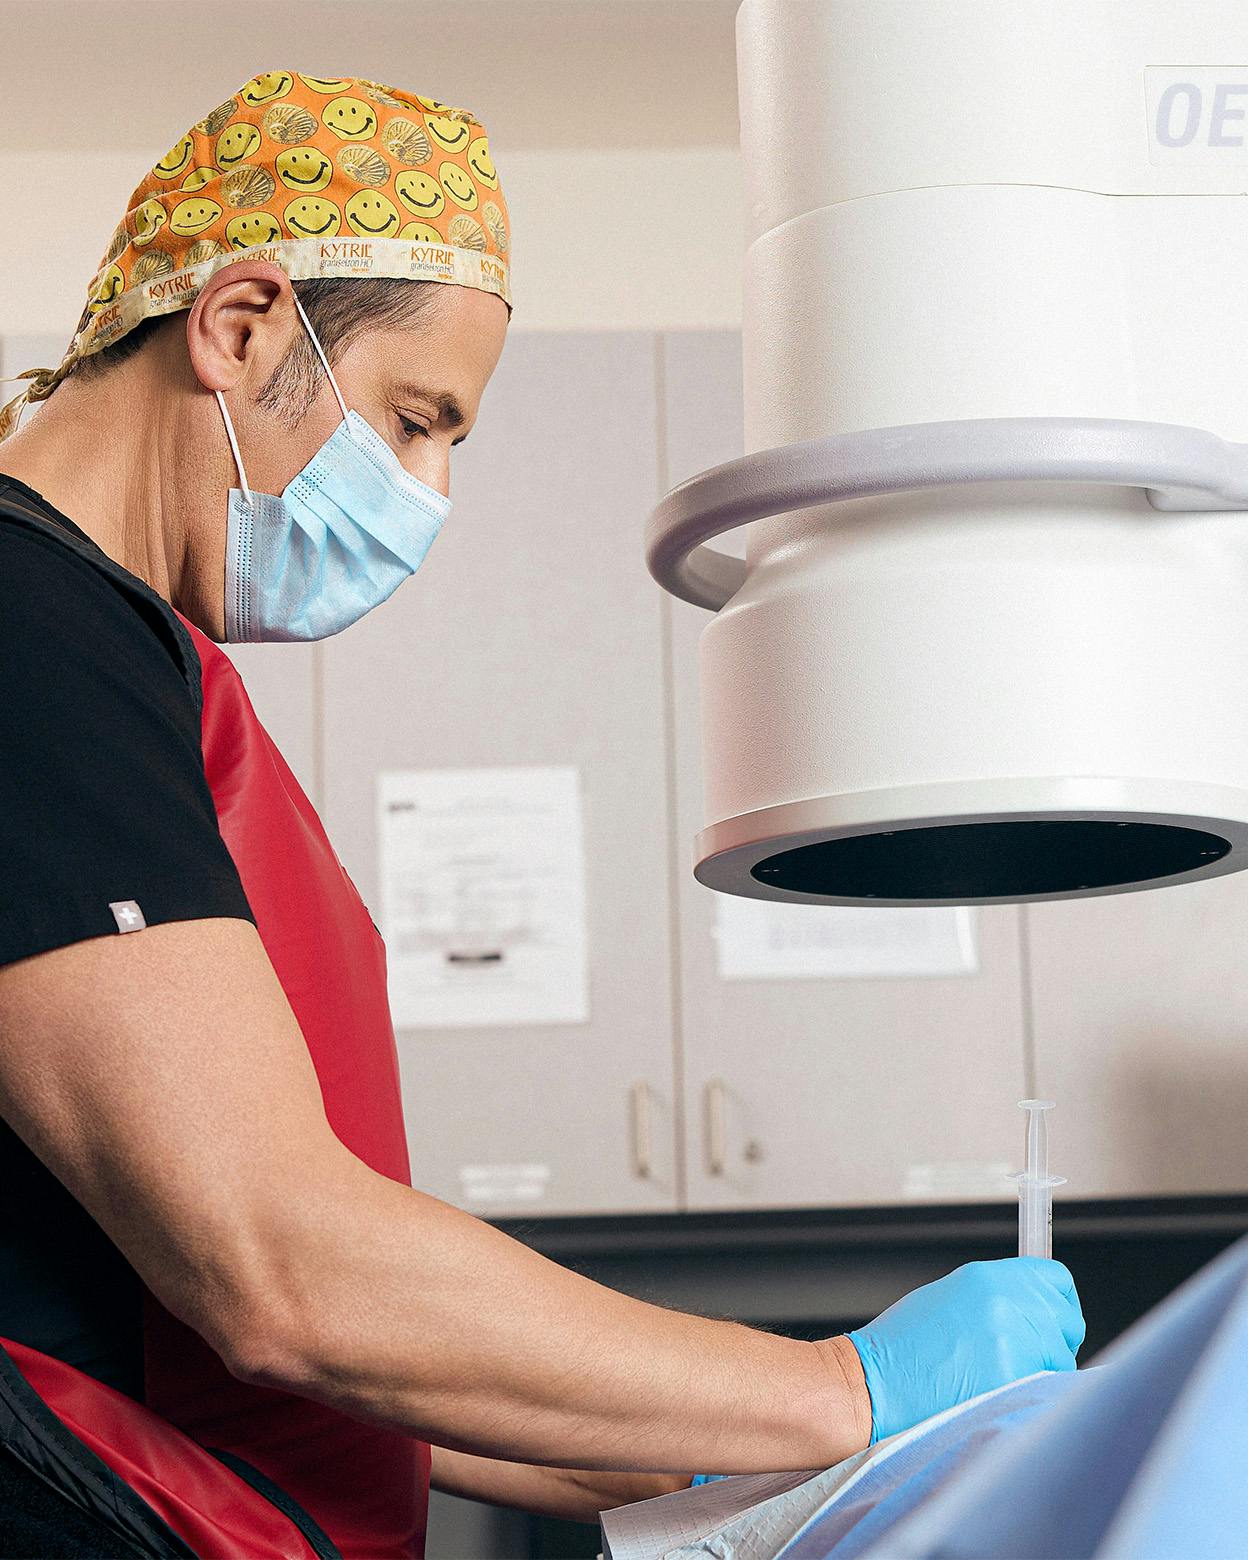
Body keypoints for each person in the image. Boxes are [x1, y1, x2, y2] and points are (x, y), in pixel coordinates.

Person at [0, 73, 1084, 1558]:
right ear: (239, 327)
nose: (430, 495)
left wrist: (771, 1441)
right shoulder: (29, 630)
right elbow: (278, 1271)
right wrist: (840, 1390)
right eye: (415, 418)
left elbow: (367, 1368)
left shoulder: (116, 654)